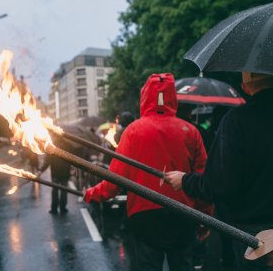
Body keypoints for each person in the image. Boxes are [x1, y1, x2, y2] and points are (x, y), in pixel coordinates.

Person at [165, 72, 273, 271]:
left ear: (246, 87)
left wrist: (185, 180)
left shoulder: (236, 121)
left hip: (255, 236)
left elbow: (219, 185)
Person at [83, 73, 213, 271]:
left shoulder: (133, 131)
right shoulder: (190, 131)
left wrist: (92, 194)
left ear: (145, 97)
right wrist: (205, 217)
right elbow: (203, 179)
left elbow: (114, 179)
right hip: (182, 214)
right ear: (172, 97)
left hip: (144, 217)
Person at [38, 136, 72, 215]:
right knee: (64, 190)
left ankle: (54, 209)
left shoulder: (51, 146)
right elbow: (72, 159)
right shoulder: (68, 145)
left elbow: (47, 161)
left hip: (55, 172)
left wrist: (40, 170)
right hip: (65, 172)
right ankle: (63, 208)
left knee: (55, 191)